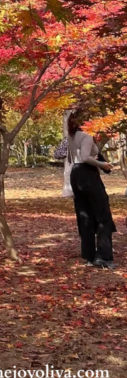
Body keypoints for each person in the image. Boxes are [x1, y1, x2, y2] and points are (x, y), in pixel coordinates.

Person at [67, 110, 117, 269]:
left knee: (85, 215)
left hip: (75, 174)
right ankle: (103, 257)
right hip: (87, 175)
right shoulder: (86, 136)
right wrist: (103, 165)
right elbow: (86, 157)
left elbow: (72, 157)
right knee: (104, 216)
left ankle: (89, 256)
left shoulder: (72, 137)